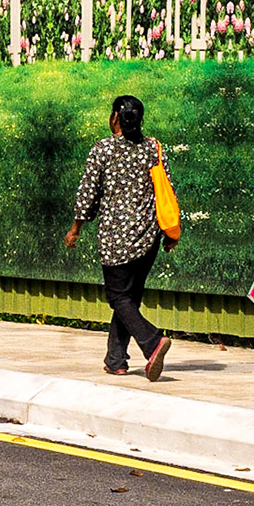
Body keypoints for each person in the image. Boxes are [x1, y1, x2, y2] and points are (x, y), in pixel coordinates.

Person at [64, 93, 175, 380]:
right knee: (129, 299)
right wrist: (169, 232)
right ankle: (116, 359)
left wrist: (76, 229)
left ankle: (152, 343)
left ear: (115, 117)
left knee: (118, 298)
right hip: (148, 238)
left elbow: (87, 194)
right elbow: (167, 189)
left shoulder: (102, 150)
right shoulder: (153, 148)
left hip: (116, 240)